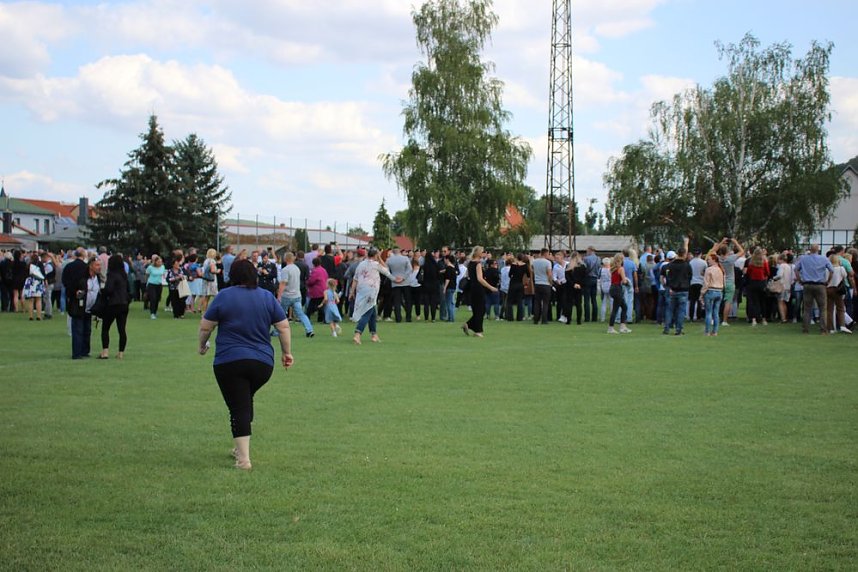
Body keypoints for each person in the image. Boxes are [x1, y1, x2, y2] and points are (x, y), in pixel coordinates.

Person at [198, 259, 293, 470]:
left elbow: (206, 326)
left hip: (230, 361)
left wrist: (202, 345)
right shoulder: (267, 297)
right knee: (243, 400)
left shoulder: (224, 296)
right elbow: (284, 327)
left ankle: (243, 460)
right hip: (262, 364)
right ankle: (239, 449)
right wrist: (287, 353)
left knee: (238, 406)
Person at [349, 247, 402, 345]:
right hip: (371, 291)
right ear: (375, 255)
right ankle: (357, 334)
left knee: (373, 312)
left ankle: (374, 335)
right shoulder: (376, 264)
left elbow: (355, 279)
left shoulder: (361, 264)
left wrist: (352, 292)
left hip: (361, 290)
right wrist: (395, 279)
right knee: (367, 312)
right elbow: (386, 270)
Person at [68, 256, 102, 360]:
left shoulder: (98, 278)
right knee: (78, 330)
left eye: (100, 265)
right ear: (90, 266)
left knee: (87, 331)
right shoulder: (81, 277)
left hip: (90, 309)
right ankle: (77, 353)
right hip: (79, 308)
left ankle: (85, 351)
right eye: (97, 265)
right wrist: (76, 292)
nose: (99, 267)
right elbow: (70, 288)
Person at [462, 246, 498, 338]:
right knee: (480, 310)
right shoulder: (478, 264)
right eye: (483, 252)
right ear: (478, 253)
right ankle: (478, 331)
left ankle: (468, 325)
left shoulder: (470, 263)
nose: (484, 253)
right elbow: (480, 279)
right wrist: (491, 287)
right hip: (478, 288)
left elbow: (468, 276)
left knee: (478, 309)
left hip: (472, 287)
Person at [99, 254, 130, 359]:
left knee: (105, 328)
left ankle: (105, 351)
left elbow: (109, 290)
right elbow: (129, 290)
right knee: (122, 329)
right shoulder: (124, 275)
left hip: (113, 304)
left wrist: (102, 292)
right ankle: (121, 352)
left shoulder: (112, 275)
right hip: (123, 304)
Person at [277, 251, 314, 338]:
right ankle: (309, 329)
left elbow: (283, 283)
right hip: (297, 295)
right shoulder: (296, 269)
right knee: (301, 314)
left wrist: (279, 296)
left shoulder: (285, 270)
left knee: (281, 314)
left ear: (285, 259)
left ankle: (277, 331)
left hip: (287, 295)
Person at [663, 239, 691, 335]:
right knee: (681, 310)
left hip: (672, 289)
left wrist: (669, 286)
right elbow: (689, 276)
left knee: (669, 309)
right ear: (684, 254)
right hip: (683, 289)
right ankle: (678, 329)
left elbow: (668, 277)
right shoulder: (686, 265)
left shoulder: (670, 265)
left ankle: (666, 327)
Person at [700, 253, 725, 336]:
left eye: (709, 259)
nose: (708, 261)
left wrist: (702, 293)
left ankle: (707, 331)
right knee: (716, 312)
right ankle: (715, 331)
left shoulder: (709, 269)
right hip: (719, 291)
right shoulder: (721, 269)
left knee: (708, 312)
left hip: (710, 290)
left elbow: (706, 283)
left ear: (714, 260)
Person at [607, 253, 632, 334]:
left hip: (612, 288)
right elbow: (624, 281)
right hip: (618, 289)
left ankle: (622, 326)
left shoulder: (613, 269)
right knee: (617, 309)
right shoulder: (621, 269)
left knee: (624, 306)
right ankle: (612, 327)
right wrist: (627, 282)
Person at [744, 247, 770, 326]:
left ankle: (754, 319)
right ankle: (764, 319)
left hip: (753, 283)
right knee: (762, 301)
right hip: (762, 282)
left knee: (753, 302)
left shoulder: (751, 263)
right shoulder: (764, 262)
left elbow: (748, 273)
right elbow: (768, 272)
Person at [387, 246, 413, 323]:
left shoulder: (389, 260)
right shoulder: (405, 258)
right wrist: (403, 278)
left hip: (395, 283)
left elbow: (387, 271)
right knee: (408, 301)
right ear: (399, 251)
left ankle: (398, 318)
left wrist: (393, 278)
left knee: (396, 302)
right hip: (405, 282)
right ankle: (408, 317)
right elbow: (410, 269)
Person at [826, 254, 850, 334]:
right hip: (837, 289)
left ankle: (831, 328)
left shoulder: (827, 269)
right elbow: (845, 276)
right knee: (840, 307)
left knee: (829, 309)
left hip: (828, 289)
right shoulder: (841, 268)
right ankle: (842, 325)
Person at [531, 248, 553, 324]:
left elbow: (532, 270)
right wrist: (551, 282)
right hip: (545, 283)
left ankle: (536, 319)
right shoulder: (548, 262)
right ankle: (544, 319)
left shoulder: (534, 261)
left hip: (537, 283)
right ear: (546, 253)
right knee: (546, 303)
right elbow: (549, 274)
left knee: (537, 302)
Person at [23, 254, 46, 320]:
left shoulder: (29, 265)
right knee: (38, 300)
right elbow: (43, 274)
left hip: (30, 282)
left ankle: (31, 316)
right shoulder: (40, 264)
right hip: (38, 282)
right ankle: (39, 316)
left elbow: (26, 274)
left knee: (31, 300)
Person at [199, 248, 220, 313]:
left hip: (206, 280)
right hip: (212, 281)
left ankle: (204, 312)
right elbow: (212, 270)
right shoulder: (212, 261)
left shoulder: (205, 261)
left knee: (206, 297)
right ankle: (216, 311)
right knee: (216, 297)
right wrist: (218, 271)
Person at [145, 255, 166, 319]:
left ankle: (155, 311)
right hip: (151, 284)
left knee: (157, 299)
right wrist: (147, 282)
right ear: (155, 262)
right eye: (159, 262)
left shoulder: (162, 267)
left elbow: (163, 274)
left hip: (159, 284)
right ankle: (152, 313)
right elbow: (147, 275)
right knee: (153, 298)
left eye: (161, 262)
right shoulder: (150, 267)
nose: (160, 263)